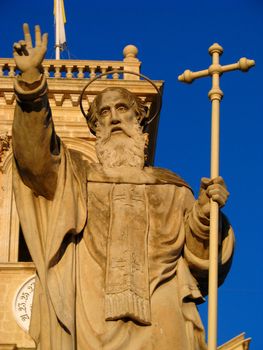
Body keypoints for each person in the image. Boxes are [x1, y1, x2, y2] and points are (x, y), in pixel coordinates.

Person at [12, 24, 234, 350]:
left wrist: (205, 215)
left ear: (139, 120)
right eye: (104, 112)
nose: (114, 118)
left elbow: (202, 262)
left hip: (163, 313)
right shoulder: (75, 178)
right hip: (90, 317)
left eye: (122, 109)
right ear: (95, 127)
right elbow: (35, 160)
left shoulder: (172, 189)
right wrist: (32, 86)